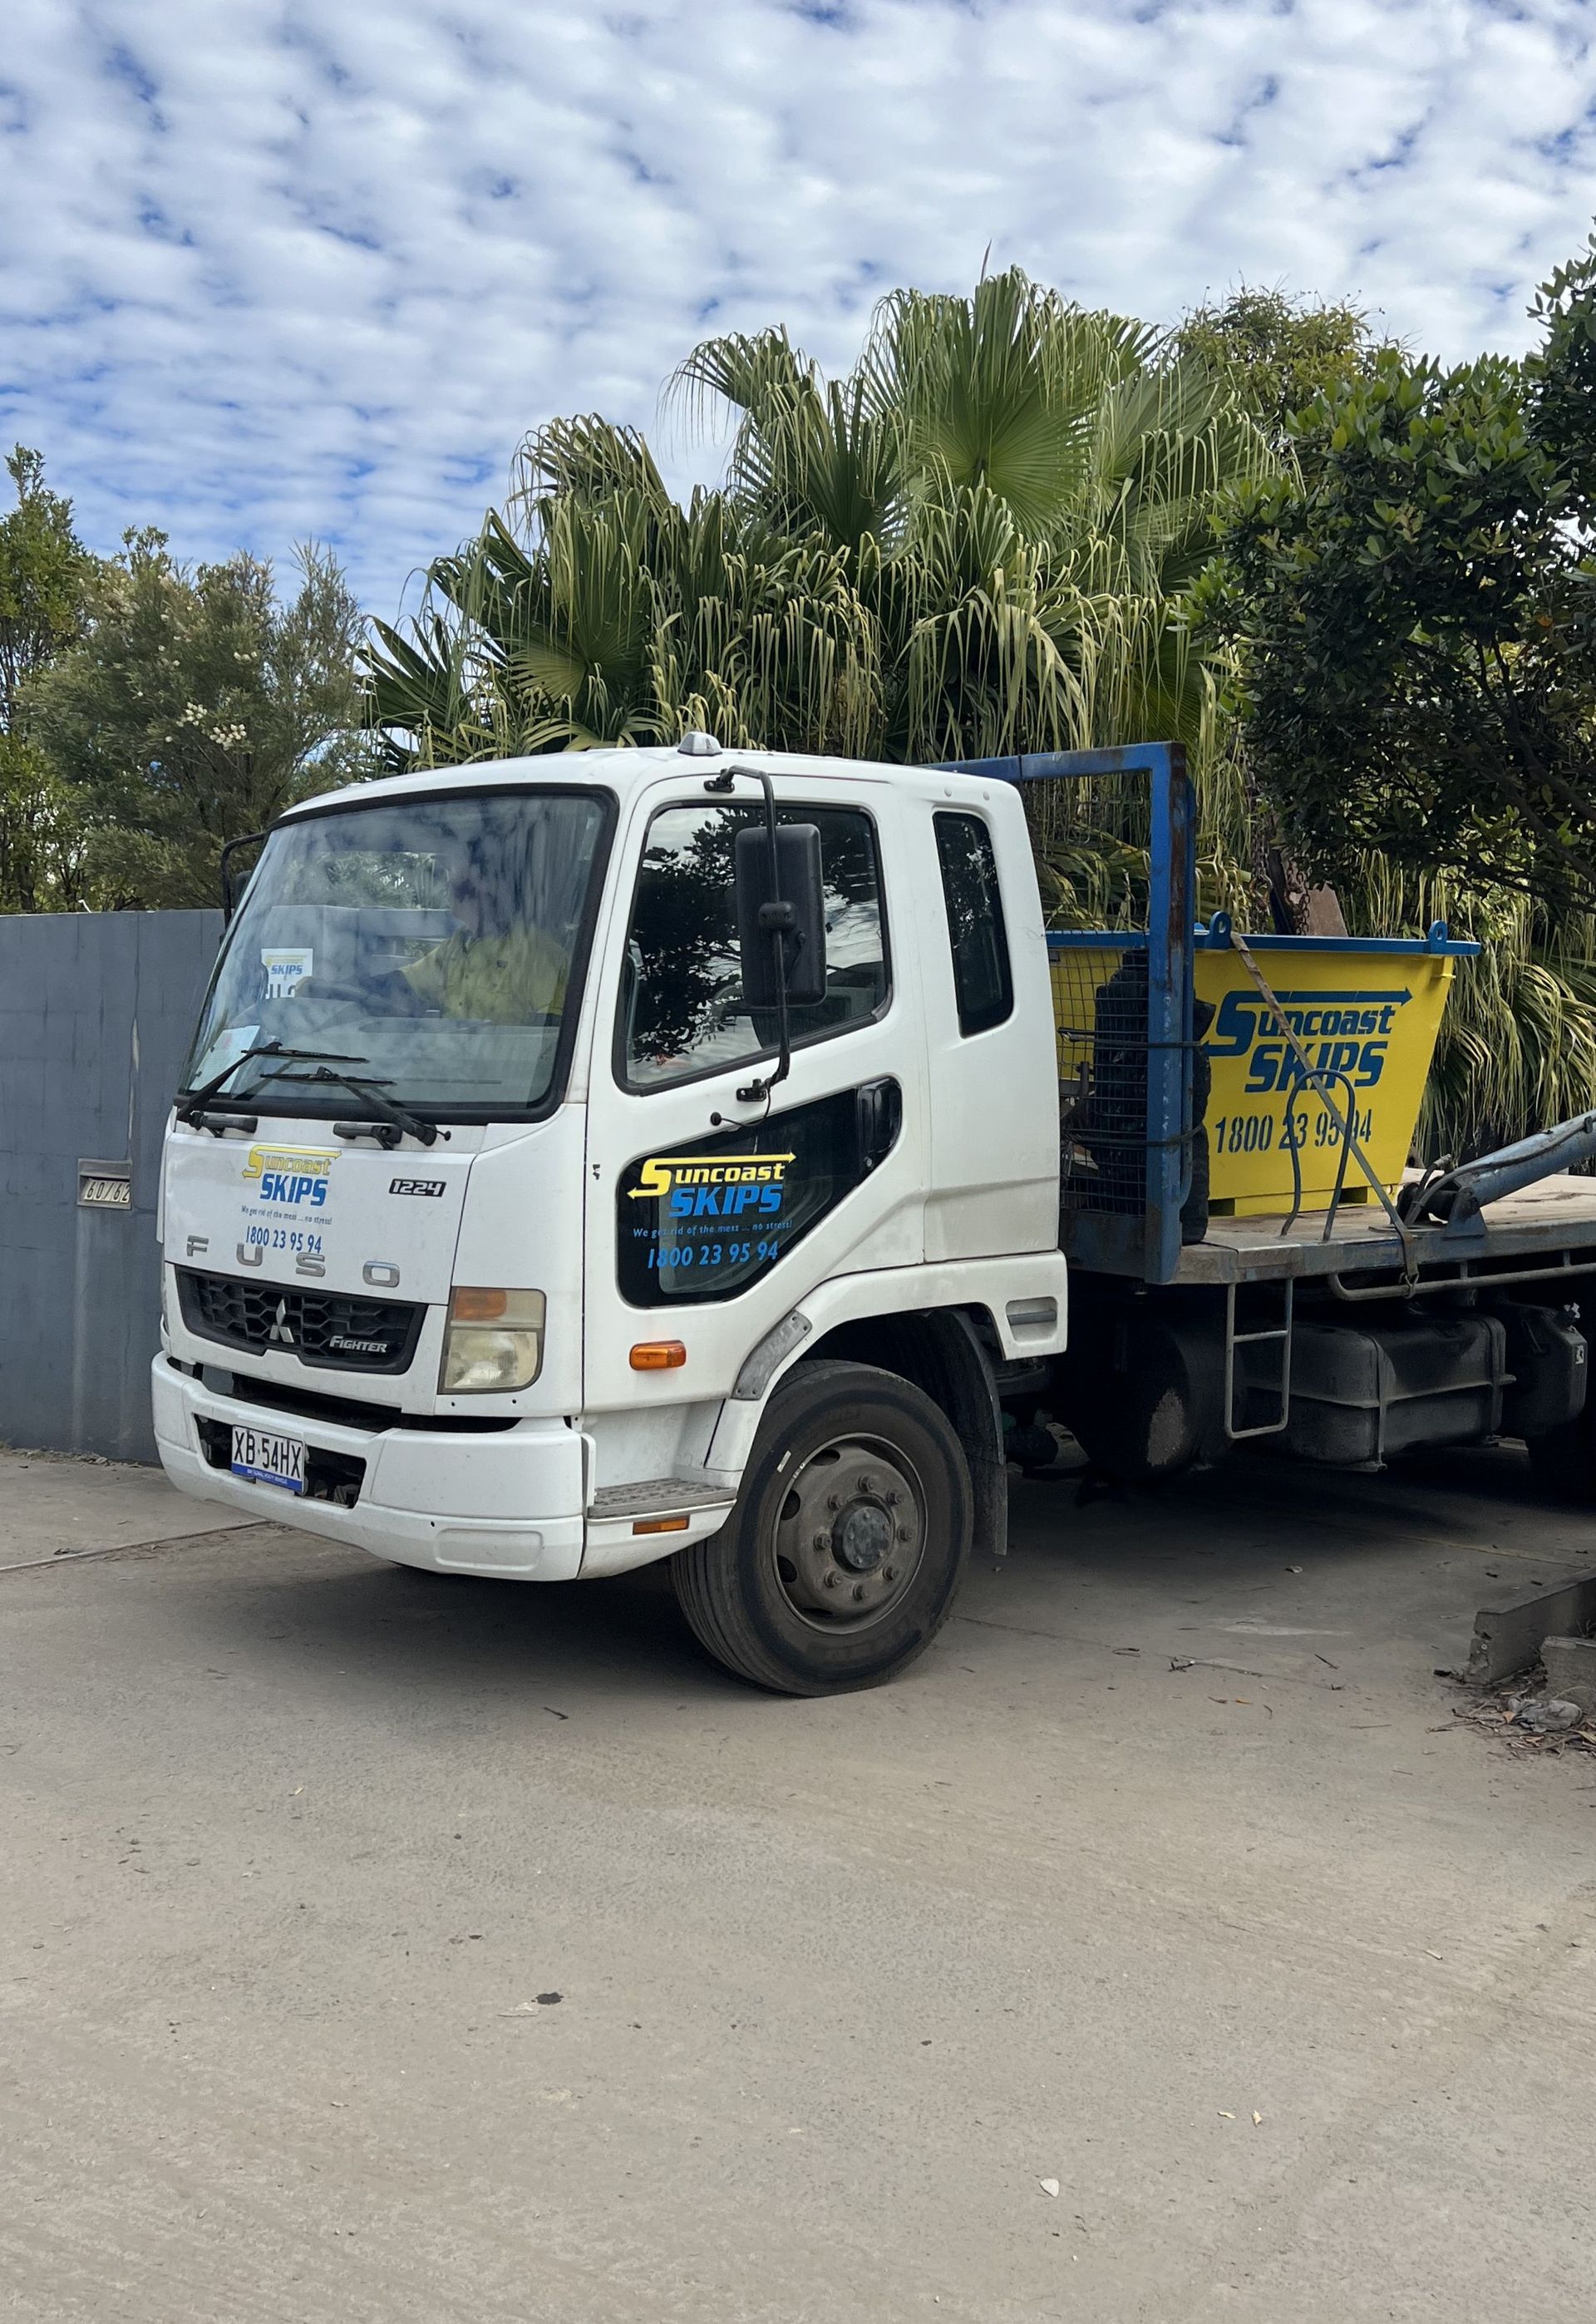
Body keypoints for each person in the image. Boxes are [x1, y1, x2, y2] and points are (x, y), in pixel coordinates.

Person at [403, 842, 569, 1024]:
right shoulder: (456, 946)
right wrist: (367, 987)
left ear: (487, 884)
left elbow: (553, 1034)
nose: (449, 886)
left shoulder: (537, 954)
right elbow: (403, 985)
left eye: (457, 878)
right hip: (442, 1051)